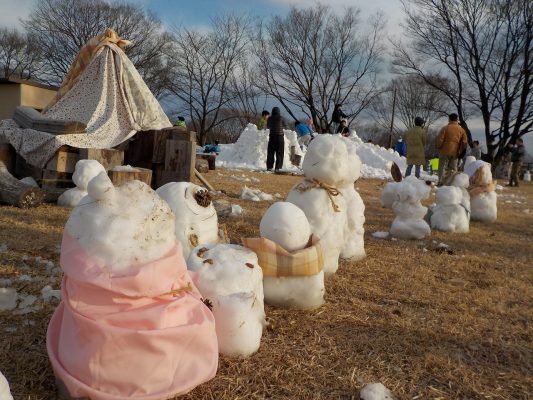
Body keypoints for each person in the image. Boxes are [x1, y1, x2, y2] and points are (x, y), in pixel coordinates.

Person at [436, 113, 468, 185]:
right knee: (453, 168)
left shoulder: (445, 128)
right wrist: (462, 151)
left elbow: (440, 140)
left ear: (449, 119)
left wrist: (439, 146)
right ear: (457, 119)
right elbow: (464, 142)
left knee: (442, 166)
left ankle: (441, 181)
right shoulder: (462, 130)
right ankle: (450, 182)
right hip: (455, 152)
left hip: (444, 150)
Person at [266, 107, 286, 171]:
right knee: (279, 153)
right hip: (280, 137)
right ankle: (278, 167)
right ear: (279, 112)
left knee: (270, 152)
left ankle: (269, 167)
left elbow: (268, 126)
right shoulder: (281, 118)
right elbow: (285, 126)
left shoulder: (269, 118)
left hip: (272, 137)